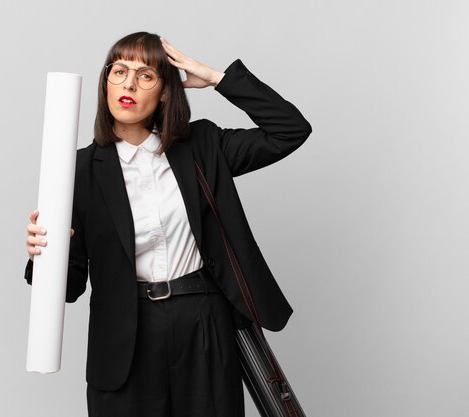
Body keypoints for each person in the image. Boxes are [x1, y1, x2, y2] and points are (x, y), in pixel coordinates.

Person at [24, 31, 312, 417]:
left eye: (146, 75)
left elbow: (290, 130)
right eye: (119, 71)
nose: (129, 83)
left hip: (203, 322)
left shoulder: (203, 147)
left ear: (164, 91)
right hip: (125, 333)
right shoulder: (75, 170)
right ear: (105, 82)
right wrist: (43, 254)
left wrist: (215, 78)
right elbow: (70, 285)